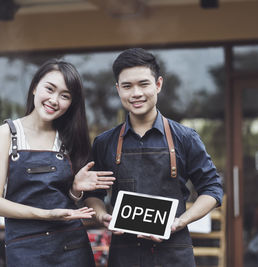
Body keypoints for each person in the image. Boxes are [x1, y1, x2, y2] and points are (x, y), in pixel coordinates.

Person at [84, 48, 223, 267]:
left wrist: (179, 222)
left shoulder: (185, 138)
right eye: (127, 86)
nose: (136, 93)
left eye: (143, 84)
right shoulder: (104, 143)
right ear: (118, 89)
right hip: (124, 255)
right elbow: (93, 194)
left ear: (158, 84)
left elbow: (213, 190)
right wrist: (101, 215)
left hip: (174, 253)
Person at [0, 58, 115, 267]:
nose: (54, 100)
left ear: (71, 103)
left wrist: (75, 190)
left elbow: (71, 200)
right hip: (26, 251)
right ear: (35, 86)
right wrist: (47, 215)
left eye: (65, 96)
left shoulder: (71, 138)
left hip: (73, 250)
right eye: (50, 89)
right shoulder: (7, 134)